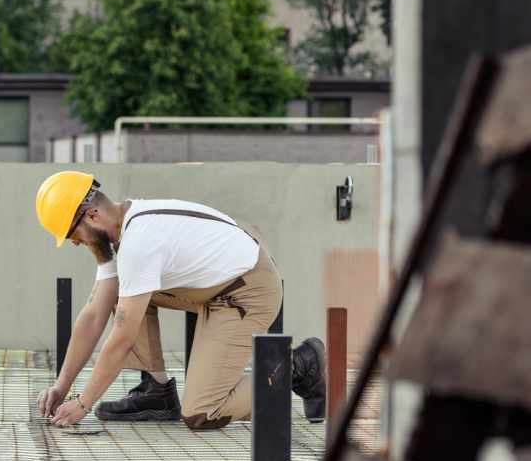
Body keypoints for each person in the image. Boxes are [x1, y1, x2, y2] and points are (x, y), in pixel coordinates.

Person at [33, 171, 326, 430]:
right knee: (123, 292)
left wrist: (83, 404)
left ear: (92, 216)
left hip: (248, 291)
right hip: (217, 287)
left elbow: (123, 336)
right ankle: (157, 393)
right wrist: (62, 385)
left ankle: (300, 365)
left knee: (202, 411)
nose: (76, 243)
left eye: (74, 235)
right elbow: (93, 315)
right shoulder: (121, 233)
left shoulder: (138, 242)